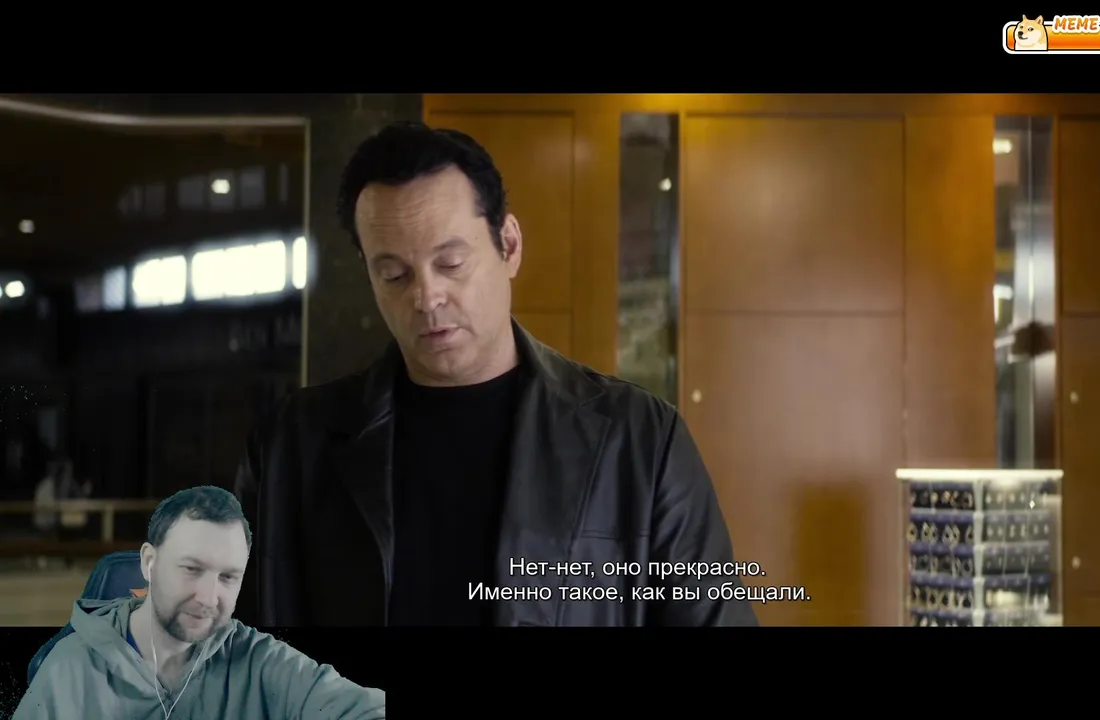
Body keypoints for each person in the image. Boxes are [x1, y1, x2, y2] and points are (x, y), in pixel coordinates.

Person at [234, 121, 758, 627]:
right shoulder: (291, 448)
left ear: (508, 245)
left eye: (451, 264)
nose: (426, 298)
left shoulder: (638, 440)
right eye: (394, 275)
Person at [14, 486, 385, 719]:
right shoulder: (71, 671)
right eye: (191, 569)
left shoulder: (261, 662)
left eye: (228, 577)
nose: (209, 598)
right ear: (149, 563)